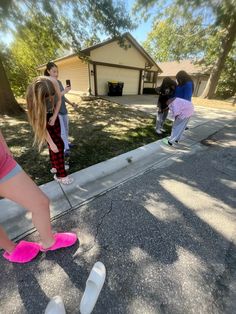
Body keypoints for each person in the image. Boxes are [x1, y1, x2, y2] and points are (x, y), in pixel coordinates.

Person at [0, 129, 77, 264]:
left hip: (3, 162)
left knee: (40, 203)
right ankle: (11, 249)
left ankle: (49, 241)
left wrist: (5, 149)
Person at [26, 76, 73, 184]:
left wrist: (55, 115)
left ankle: (55, 166)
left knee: (57, 145)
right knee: (57, 146)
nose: (51, 99)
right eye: (48, 98)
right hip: (42, 117)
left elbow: (59, 100)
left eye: (53, 95)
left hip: (52, 115)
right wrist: (51, 143)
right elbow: (40, 125)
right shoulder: (33, 101)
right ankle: (61, 175)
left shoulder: (53, 83)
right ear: (40, 98)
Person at [44, 62, 77, 157]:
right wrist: (64, 91)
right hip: (56, 112)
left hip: (64, 110)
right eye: (54, 72)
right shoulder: (48, 84)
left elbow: (62, 97)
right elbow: (53, 99)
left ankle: (66, 144)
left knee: (66, 129)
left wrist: (71, 103)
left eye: (57, 72)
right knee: (61, 131)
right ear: (48, 71)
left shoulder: (59, 82)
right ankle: (65, 148)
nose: (56, 74)